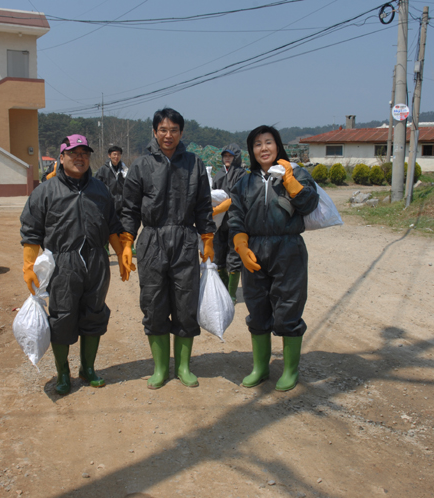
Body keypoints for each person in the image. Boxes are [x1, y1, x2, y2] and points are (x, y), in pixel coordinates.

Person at [20, 134, 133, 395]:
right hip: (62, 263)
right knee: (62, 317)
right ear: (62, 157)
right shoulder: (45, 191)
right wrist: (28, 265)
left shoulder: (100, 189)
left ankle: (88, 368)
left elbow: (112, 226)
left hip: (96, 260)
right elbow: (32, 231)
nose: (79, 157)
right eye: (73, 153)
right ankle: (63, 374)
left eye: (84, 153)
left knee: (94, 314)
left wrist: (121, 253)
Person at [121, 108, 216, 390]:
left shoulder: (194, 164)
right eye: (163, 129)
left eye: (174, 130)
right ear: (154, 131)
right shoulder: (141, 166)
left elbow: (203, 204)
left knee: (186, 305)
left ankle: (184, 366)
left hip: (186, 239)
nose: (168, 135)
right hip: (151, 240)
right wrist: (127, 242)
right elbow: (129, 208)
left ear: (181, 133)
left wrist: (207, 237)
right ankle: (161, 368)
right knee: (154, 304)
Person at [227, 125, 319, 392]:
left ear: (278, 146)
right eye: (257, 144)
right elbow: (235, 218)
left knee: (288, 307)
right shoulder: (244, 182)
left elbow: (309, 204)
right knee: (257, 310)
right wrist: (241, 244)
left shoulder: (297, 173)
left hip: (288, 249)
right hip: (254, 249)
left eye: (268, 142)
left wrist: (291, 183)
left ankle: (290, 370)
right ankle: (260, 367)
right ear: (251, 151)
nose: (263, 148)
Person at [211, 144, 247, 303]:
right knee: (218, 257)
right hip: (219, 222)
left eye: (230, 156)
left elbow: (243, 196)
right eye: (225, 155)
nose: (227, 158)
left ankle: (231, 295)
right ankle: (223, 291)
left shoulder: (241, 175)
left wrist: (230, 203)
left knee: (234, 257)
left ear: (236, 157)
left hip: (235, 221)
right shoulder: (218, 175)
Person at [94, 145, 128, 255]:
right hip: (108, 202)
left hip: (122, 202)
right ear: (109, 156)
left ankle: (128, 246)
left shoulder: (124, 169)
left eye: (118, 154)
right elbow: (97, 185)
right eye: (114, 154)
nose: (116, 156)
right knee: (106, 226)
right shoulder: (103, 170)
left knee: (125, 225)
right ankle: (105, 246)